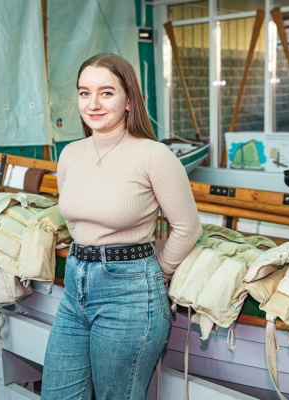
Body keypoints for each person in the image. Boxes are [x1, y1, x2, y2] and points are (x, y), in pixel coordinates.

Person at [41, 53, 202, 399]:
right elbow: (74, 218)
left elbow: (187, 228)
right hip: (75, 286)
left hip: (129, 294)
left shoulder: (154, 155)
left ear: (129, 100)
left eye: (106, 93)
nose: (93, 104)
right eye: (85, 93)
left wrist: (157, 273)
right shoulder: (70, 154)